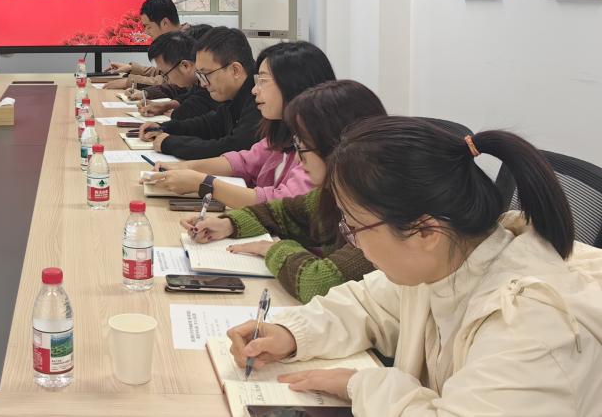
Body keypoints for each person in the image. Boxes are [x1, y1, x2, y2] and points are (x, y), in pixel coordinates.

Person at [226, 118, 602, 415]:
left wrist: (360, 385)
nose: (353, 241)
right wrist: (291, 333)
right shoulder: (449, 259)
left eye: (353, 228)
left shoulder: (529, 324)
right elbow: (368, 304)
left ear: (425, 231)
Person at [183, 80, 384, 303]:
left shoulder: (376, 216)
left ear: (336, 145)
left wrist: (275, 248)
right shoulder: (332, 195)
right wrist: (228, 224)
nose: (298, 157)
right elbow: (280, 212)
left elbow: (317, 283)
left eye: (303, 146)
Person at [145, 40, 335, 207]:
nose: (255, 90)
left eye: (263, 81)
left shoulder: (317, 147)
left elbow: (283, 204)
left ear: (293, 83)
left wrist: (203, 183)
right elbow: (244, 161)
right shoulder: (283, 131)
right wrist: (185, 168)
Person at [136, 27, 261, 160]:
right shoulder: (234, 95)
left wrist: (170, 143)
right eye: (200, 75)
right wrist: (164, 128)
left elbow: (233, 148)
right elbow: (210, 124)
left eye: (206, 74)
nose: (202, 84)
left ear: (235, 70)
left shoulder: (259, 98)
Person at [104, 0, 188, 89]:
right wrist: (131, 68)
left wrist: (130, 82)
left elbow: (171, 83)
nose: (146, 32)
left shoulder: (188, 43)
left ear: (165, 23)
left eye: (148, 27)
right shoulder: (175, 40)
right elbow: (163, 73)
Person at [135, 31, 216, 122]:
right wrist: (164, 106)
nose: (166, 79)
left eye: (165, 74)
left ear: (185, 66)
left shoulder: (212, 83)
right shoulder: (197, 79)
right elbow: (189, 95)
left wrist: (175, 113)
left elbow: (198, 101)